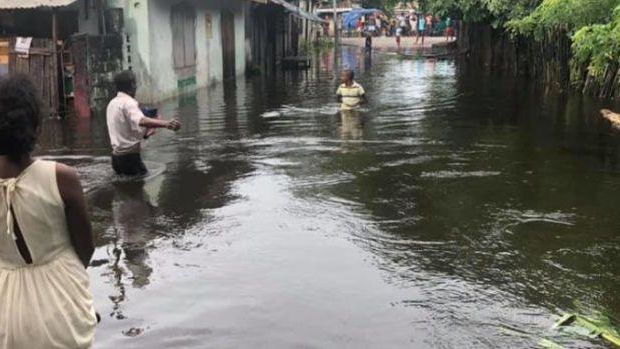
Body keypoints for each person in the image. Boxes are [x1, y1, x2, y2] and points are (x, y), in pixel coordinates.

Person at [0, 75, 97, 348]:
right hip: (62, 303)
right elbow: (86, 249)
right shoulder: (61, 178)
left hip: (7, 311)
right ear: (35, 125)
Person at [106, 70, 181, 176]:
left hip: (116, 159)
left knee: (125, 188)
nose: (136, 87)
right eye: (135, 83)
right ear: (132, 84)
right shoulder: (129, 102)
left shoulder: (112, 104)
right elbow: (141, 120)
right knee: (140, 187)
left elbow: (126, 131)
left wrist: (147, 132)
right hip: (130, 158)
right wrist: (166, 123)